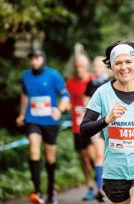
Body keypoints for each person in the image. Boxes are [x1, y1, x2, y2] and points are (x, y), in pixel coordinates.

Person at [80, 41, 134, 204]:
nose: (123, 67)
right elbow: (84, 129)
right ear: (111, 66)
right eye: (118, 63)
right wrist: (107, 119)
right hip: (115, 173)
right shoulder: (102, 93)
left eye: (128, 62)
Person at [16, 49, 70, 204]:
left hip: (51, 121)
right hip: (33, 119)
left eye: (37, 58)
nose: (34, 61)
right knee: (33, 149)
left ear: (43, 59)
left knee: (50, 157)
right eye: (32, 58)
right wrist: (21, 114)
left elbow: (65, 96)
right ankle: (37, 192)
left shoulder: (53, 75)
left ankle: (51, 191)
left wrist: (60, 110)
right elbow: (25, 95)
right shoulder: (25, 76)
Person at [66, 54, 96, 201]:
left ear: (87, 67)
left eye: (82, 66)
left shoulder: (93, 81)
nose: (79, 69)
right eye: (77, 66)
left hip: (93, 126)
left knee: (94, 156)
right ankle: (90, 186)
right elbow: (66, 100)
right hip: (77, 127)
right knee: (84, 158)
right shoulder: (70, 83)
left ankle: (102, 183)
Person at [83, 56, 110, 202]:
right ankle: (101, 188)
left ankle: (107, 183)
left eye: (99, 66)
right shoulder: (90, 84)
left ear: (105, 67)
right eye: (95, 66)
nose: (97, 69)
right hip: (96, 123)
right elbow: (85, 102)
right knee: (97, 156)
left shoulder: (110, 83)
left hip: (111, 124)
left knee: (106, 155)